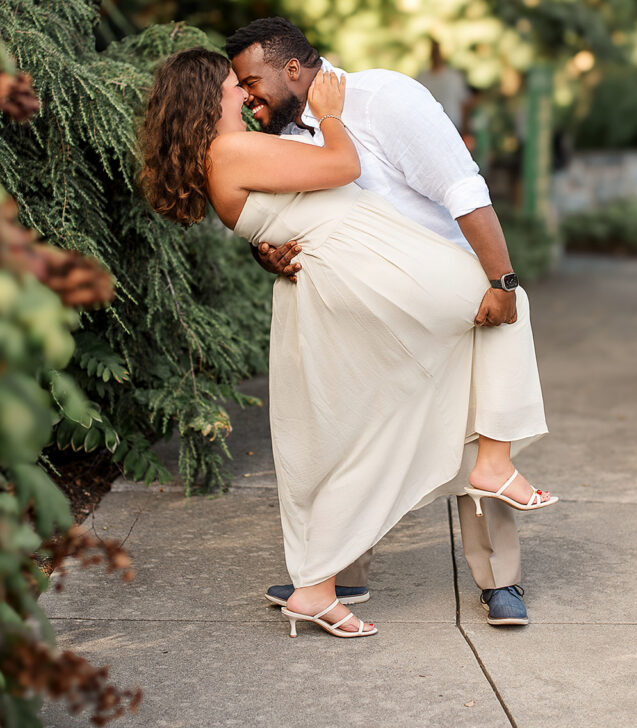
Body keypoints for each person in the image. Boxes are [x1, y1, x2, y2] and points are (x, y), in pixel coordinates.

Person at [139, 45, 556, 640]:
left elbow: (460, 189)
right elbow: (332, 173)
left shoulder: (385, 98)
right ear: (211, 98)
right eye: (238, 86)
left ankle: (488, 574)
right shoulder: (254, 141)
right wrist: (323, 135)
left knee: (473, 363)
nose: (248, 94)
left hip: (413, 266)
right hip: (362, 280)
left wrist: (499, 275)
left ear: (290, 67)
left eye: (250, 81)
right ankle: (330, 572)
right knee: (353, 426)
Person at [416, 37, 473, 131]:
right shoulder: (421, 77)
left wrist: (465, 128)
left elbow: (464, 103)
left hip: (453, 126)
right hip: (429, 127)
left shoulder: (454, 77)